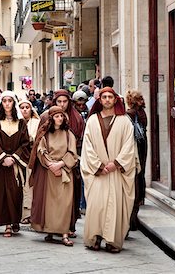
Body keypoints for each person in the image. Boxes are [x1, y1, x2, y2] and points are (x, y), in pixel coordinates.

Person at [81, 87, 136, 253]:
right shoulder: (92, 120)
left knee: (114, 206)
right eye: (103, 97)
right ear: (99, 100)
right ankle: (95, 238)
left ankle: (112, 241)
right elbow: (87, 146)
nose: (106, 99)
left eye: (109, 97)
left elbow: (129, 146)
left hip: (116, 172)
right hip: (98, 173)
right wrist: (98, 166)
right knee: (96, 206)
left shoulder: (124, 121)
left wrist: (117, 163)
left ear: (115, 100)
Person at [29, 106, 77, 246]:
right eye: (57, 116)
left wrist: (60, 164)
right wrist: (50, 165)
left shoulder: (69, 134)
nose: (60, 119)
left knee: (64, 204)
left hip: (65, 172)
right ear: (51, 118)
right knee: (49, 205)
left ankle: (64, 234)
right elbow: (41, 151)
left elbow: (73, 153)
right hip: (48, 173)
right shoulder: (45, 135)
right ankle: (50, 230)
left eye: (61, 116)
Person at [0, 91, 30, 237]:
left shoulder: (21, 123)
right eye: (4, 101)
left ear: (14, 103)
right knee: (2, 194)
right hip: (1, 165)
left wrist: (14, 157)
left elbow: (26, 144)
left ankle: (14, 221)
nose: (7, 103)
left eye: (10, 101)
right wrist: (3, 158)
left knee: (15, 193)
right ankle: (6, 224)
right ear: (1, 103)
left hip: (15, 165)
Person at [53, 89, 85, 238]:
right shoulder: (48, 116)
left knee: (71, 197)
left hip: (72, 163)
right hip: (52, 164)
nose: (62, 104)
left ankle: (69, 226)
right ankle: (53, 226)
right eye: (59, 102)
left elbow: (80, 141)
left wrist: (69, 160)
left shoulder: (77, 118)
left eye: (64, 101)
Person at [126, 90, 147, 232]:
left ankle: (132, 219)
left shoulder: (130, 113)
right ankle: (138, 204)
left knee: (134, 179)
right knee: (140, 175)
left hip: (135, 146)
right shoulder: (142, 112)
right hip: (143, 145)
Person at [18, 99, 40, 224]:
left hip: (33, 157)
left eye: (27, 107)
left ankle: (31, 214)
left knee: (30, 185)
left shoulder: (36, 123)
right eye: (22, 107)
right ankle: (21, 214)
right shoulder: (16, 122)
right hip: (19, 157)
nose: (25, 109)